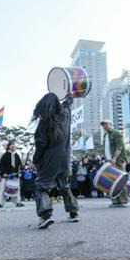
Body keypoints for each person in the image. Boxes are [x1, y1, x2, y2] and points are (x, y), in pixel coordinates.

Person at [32, 92, 79, 229]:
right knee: (64, 186)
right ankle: (73, 213)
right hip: (65, 159)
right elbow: (68, 104)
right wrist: (69, 96)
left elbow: (40, 146)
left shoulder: (44, 123)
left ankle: (46, 215)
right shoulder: (66, 115)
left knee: (41, 186)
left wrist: (35, 160)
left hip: (49, 160)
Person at [100, 119, 129, 207]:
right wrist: (105, 159)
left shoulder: (116, 133)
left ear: (110, 124)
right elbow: (106, 148)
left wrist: (114, 158)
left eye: (106, 124)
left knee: (120, 180)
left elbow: (120, 146)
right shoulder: (105, 135)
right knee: (112, 181)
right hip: (109, 161)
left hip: (117, 160)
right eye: (103, 125)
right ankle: (115, 201)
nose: (104, 126)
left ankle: (124, 201)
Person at [0, 141, 23, 208]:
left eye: (14, 145)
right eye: (11, 145)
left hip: (15, 175)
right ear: (9, 146)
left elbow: (20, 165)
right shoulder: (5, 155)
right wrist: (3, 173)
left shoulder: (17, 155)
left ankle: (18, 202)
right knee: (2, 190)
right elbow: (1, 166)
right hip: (6, 176)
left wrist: (19, 172)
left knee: (16, 189)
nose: (13, 146)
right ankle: (1, 203)